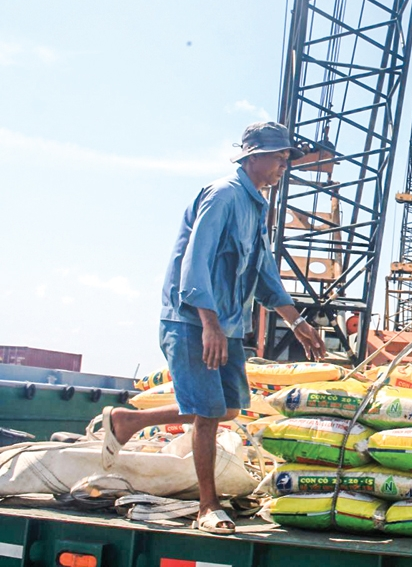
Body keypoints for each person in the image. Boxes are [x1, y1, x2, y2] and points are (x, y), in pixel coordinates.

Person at [94, 122, 326, 534]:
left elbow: (264, 271)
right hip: (193, 321)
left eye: (287, 159)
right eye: (279, 158)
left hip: (227, 324)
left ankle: (126, 423)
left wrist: (298, 321)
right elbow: (194, 262)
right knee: (207, 415)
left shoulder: (256, 205)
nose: (283, 167)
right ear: (253, 157)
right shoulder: (223, 196)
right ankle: (208, 506)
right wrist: (209, 324)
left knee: (230, 408)